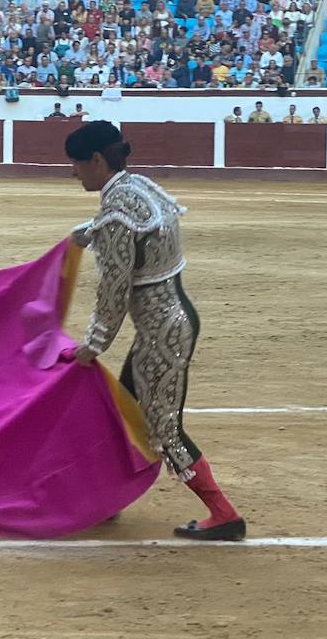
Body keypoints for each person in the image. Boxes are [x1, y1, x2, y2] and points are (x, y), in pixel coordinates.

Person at [64, 121, 245, 541]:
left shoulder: (116, 212)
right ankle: (109, 498)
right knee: (124, 414)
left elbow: (113, 291)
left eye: (75, 164)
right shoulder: (138, 187)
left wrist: (92, 346)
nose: (73, 173)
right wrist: (90, 234)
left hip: (163, 333)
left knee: (164, 429)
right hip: (173, 319)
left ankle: (224, 513)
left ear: (95, 160)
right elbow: (135, 231)